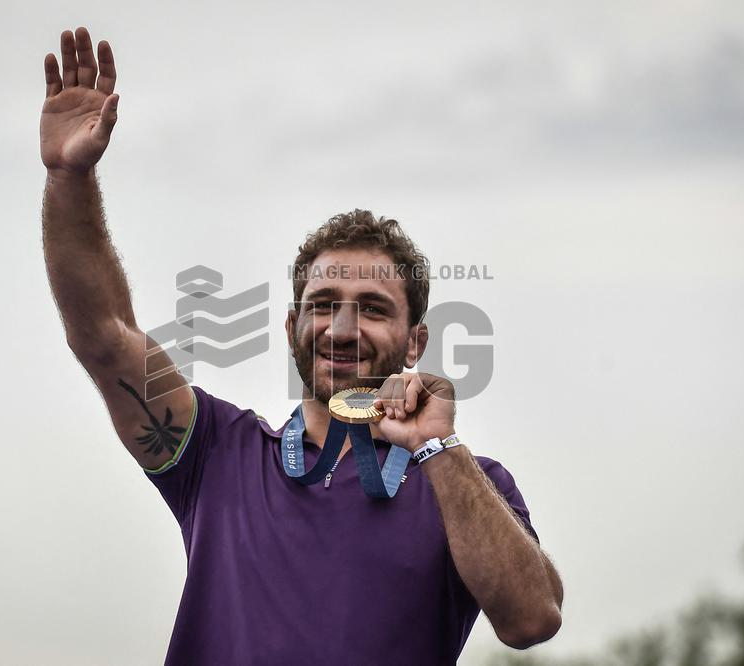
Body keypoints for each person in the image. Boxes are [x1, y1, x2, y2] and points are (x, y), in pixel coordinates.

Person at [40, 26, 564, 666]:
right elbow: (103, 335)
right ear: (292, 329)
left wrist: (439, 448)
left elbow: (533, 620)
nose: (342, 328)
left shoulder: (466, 484)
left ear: (415, 341)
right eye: (322, 306)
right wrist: (69, 178)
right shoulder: (215, 454)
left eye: (372, 309)